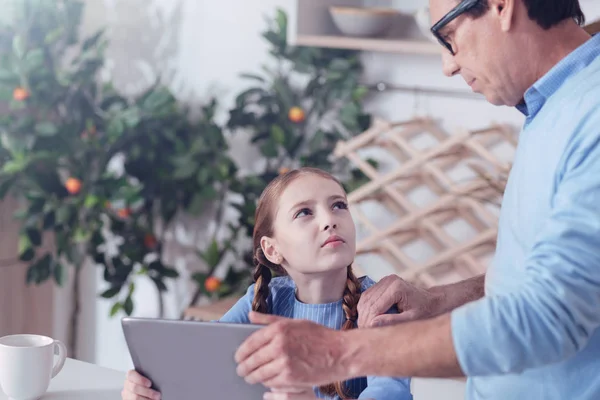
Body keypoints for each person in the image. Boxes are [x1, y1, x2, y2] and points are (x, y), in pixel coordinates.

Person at [234, 0, 600, 399]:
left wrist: (340, 352)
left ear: (501, 6)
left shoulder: (590, 115)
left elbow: (549, 316)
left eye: (449, 37)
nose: (449, 66)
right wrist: (441, 299)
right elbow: (558, 276)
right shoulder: (553, 109)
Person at [121, 167, 412, 400]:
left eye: (338, 205)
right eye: (304, 212)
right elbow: (201, 364)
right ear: (272, 250)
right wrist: (149, 387)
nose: (329, 220)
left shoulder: (379, 306)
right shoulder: (265, 299)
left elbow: (391, 393)